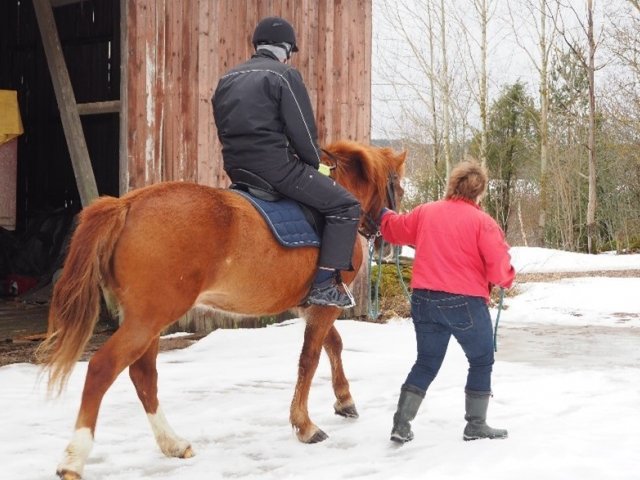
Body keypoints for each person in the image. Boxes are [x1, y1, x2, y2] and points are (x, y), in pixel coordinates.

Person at [212, 16, 361, 308]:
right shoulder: (283, 75)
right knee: (346, 206)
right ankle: (324, 284)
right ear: (287, 49)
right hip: (276, 170)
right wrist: (313, 162)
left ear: (258, 45)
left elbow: (224, 127)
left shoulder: (226, 80)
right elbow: (303, 132)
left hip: (238, 170)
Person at [379, 160, 515, 444]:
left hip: (424, 300)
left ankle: (401, 424)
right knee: (481, 360)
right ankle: (475, 425)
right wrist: (506, 278)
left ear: (452, 185)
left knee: (426, 362)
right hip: (464, 302)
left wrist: (383, 212)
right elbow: (498, 265)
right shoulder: (483, 223)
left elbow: (394, 229)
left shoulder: (426, 212)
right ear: (480, 192)